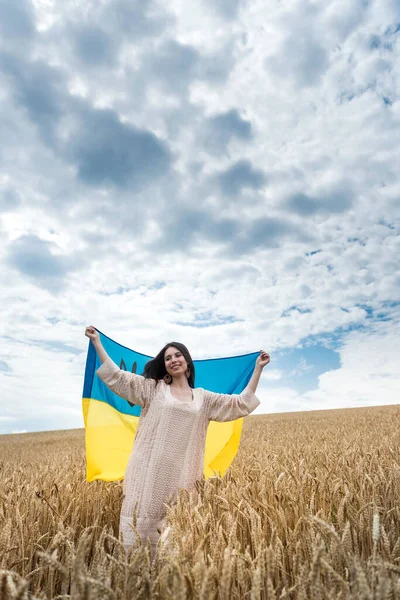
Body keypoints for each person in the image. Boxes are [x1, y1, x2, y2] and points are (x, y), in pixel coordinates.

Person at [84, 326, 270, 557]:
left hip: (182, 476)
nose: (173, 360)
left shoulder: (205, 399)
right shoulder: (153, 389)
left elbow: (239, 404)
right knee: (138, 530)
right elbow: (119, 379)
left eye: (178, 355)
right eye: (168, 358)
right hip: (147, 472)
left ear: (187, 362)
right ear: (165, 367)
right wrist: (97, 343)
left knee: (175, 538)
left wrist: (258, 369)